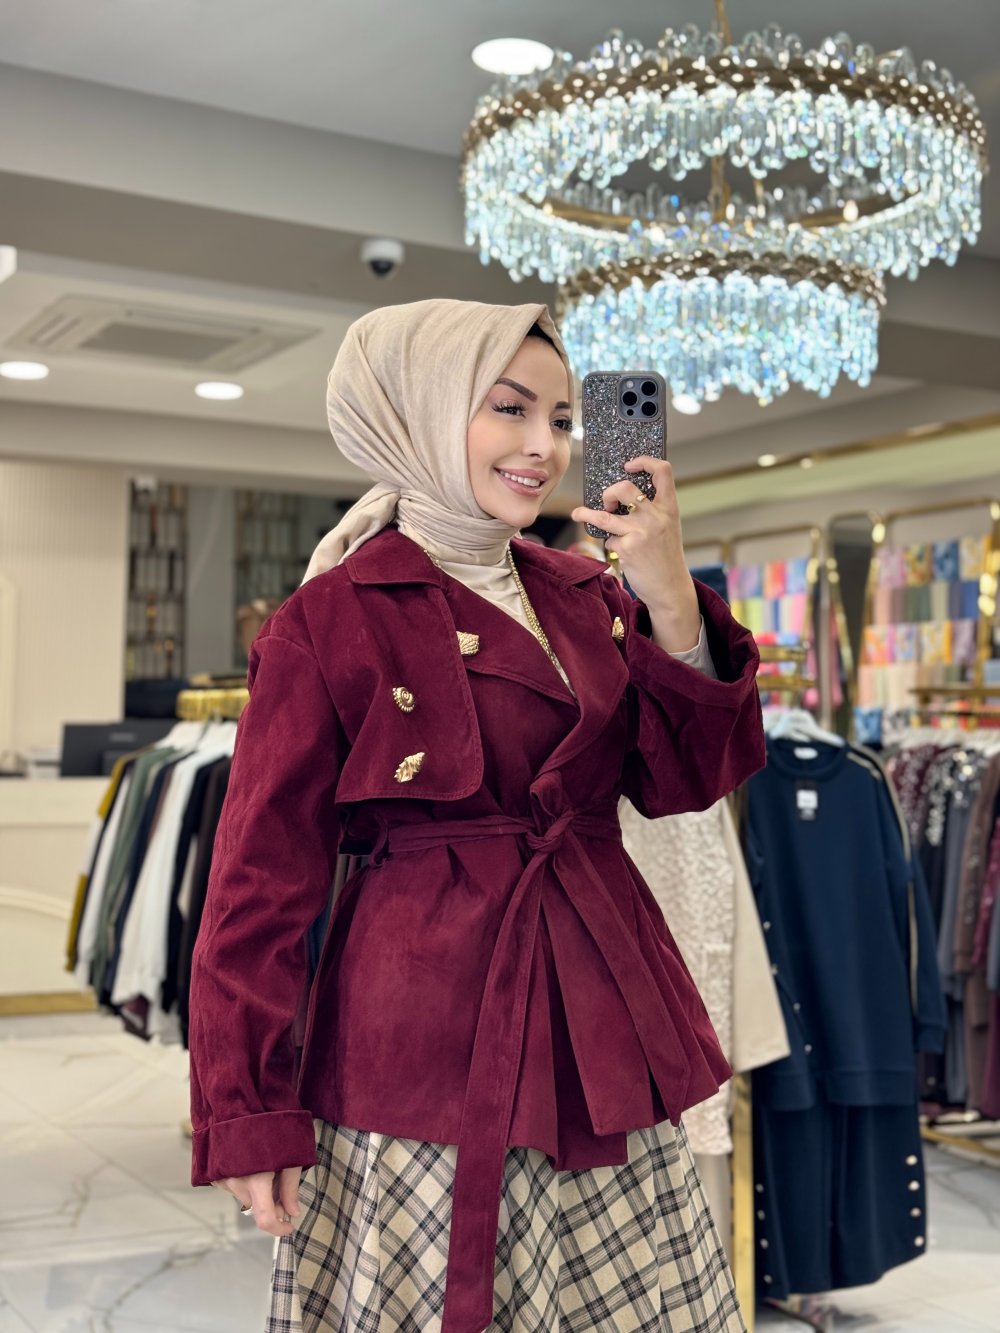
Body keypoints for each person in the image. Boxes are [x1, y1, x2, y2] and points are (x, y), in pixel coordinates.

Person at [188, 299, 765, 1333]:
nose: (545, 446)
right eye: (509, 409)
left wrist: (667, 587)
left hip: (603, 1019)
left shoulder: (588, 595)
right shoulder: (331, 617)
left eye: (561, 418)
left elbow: (686, 777)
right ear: (417, 409)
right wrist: (246, 1108)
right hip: (423, 1039)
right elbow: (257, 887)